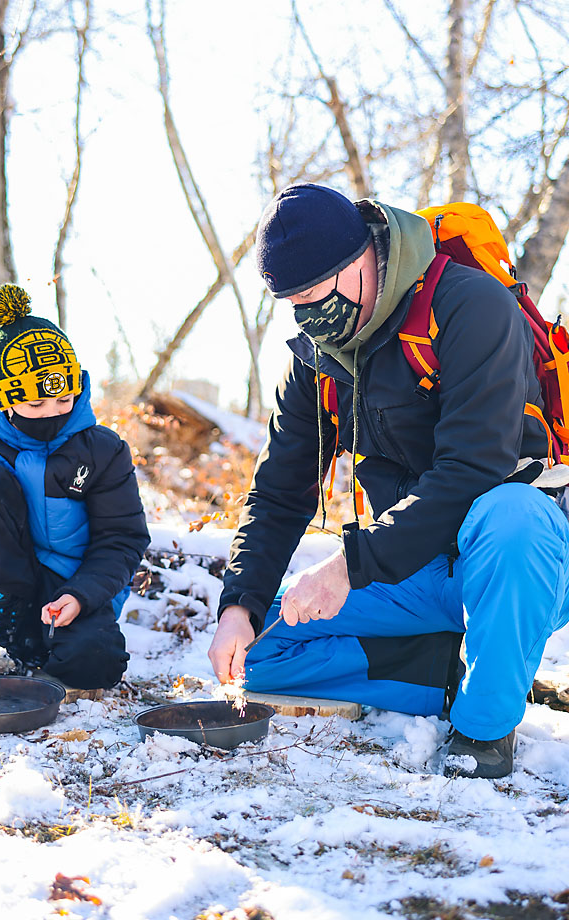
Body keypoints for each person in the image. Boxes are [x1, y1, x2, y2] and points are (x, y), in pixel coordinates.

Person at [209, 184, 569, 779]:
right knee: (263, 648)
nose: (308, 315)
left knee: (512, 515)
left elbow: (471, 468)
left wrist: (349, 564)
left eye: (316, 294)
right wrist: (237, 606)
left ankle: (483, 731)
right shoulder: (315, 357)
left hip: (521, 563)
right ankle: (464, 671)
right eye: (292, 301)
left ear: (364, 260)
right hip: (416, 567)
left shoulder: (470, 305)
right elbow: (278, 492)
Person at [0, 284, 150, 696]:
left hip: (74, 589)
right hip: (7, 589)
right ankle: (8, 639)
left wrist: (82, 594)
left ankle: (61, 644)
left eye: (63, 399)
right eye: (36, 405)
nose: (53, 413)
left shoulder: (103, 450)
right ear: (4, 398)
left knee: (96, 663)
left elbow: (122, 539)